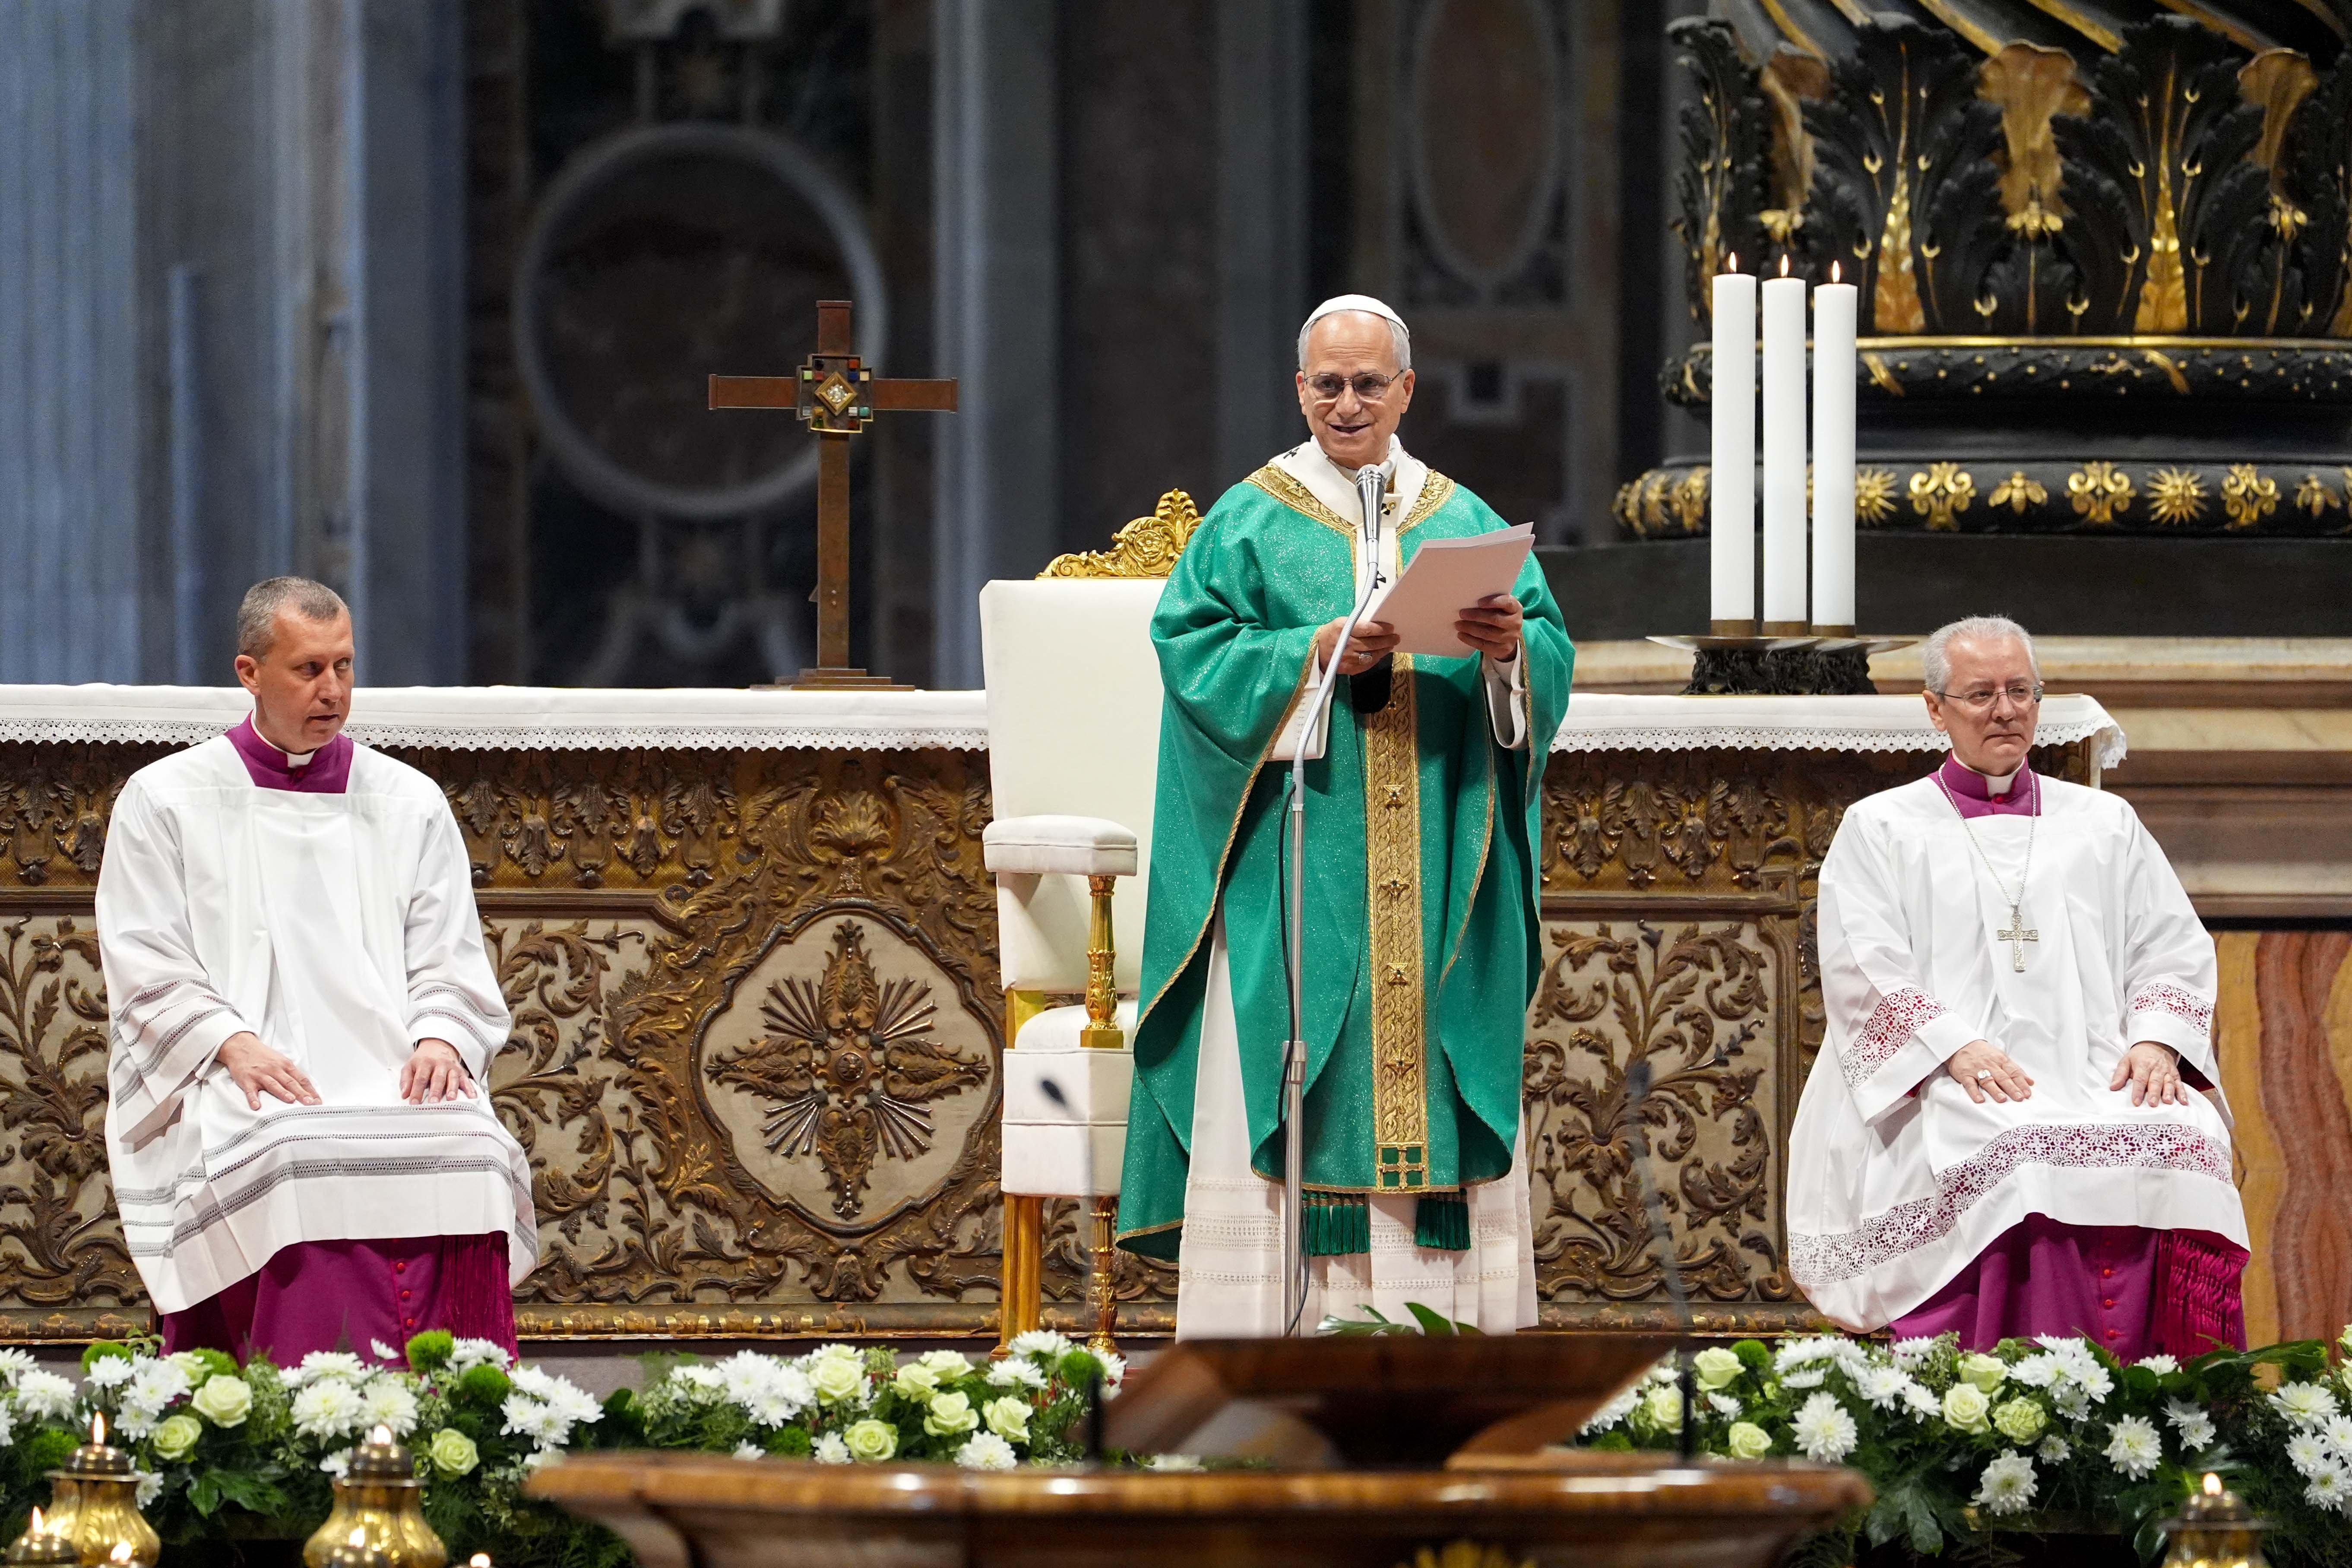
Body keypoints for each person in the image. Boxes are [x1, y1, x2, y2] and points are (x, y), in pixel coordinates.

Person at [1115, 295, 1574, 1334]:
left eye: (1370, 382)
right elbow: (1192, 658)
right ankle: (1271, 1353)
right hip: (1299, 860)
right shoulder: (1249, 517)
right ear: (1300, 390)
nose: (1349, 402)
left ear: (1407, 390)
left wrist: (1508, 648)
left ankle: (1451, 1355)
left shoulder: (1463, 520)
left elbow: (1548, 660)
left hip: (1441, 848)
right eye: (1329, 383)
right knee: (1293, 1058)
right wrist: (1318, 651)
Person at [100, 577, 535, 1364]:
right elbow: (143, 953)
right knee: (289, 1151)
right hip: (242, 1069)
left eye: (344, 667)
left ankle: (460, 1419)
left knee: (471, 1144)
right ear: (248, 672)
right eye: (308, 669)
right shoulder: (167, 798)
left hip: (391, 1064)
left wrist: (440, 1038)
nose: (332, 690)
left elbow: (448, 951)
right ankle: (291, 1413)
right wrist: (231, 1044)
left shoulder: (407, 800)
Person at [1788, 616, 2247, 1358]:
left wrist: (2159, 1041)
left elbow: (2169, 943)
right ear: (1935, 709)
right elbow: (1862, 962)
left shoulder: (2103, 823)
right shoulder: (1882, 827)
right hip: (1955, 1071)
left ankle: (2172, 1400)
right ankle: (2003, 1386)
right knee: (2010, 1147)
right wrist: (1951, 1048)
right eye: (1980, 694)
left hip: (2097, 1062)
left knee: (2183, 1134)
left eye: (2021, 691)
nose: (2005, 710)